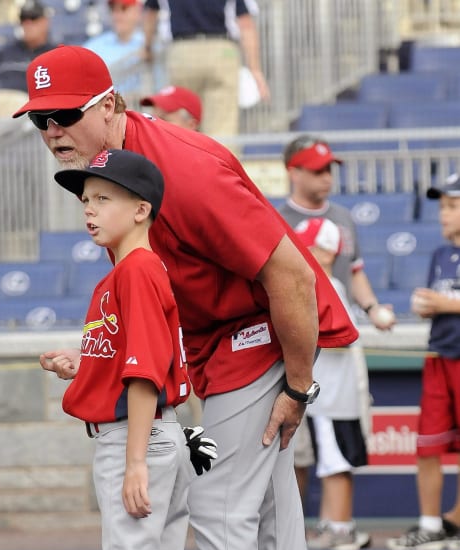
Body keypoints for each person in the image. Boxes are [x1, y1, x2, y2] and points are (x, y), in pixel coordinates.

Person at [13, 45, 358, 550]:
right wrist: (94, 354)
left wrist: (297, 383)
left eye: (62, 116)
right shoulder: (111, 178)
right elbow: (162, 308)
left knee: (221, 508)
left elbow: (290, 276)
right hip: (218, 339)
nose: (51, 132)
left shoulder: (184, 170)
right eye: (38, 120)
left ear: (109, 107)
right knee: (266, 516)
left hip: (262, 331)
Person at [40, 148, 216, 550]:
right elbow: (133, 362)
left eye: (104, 198)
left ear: (141, 209)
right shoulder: (134, 271)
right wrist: (82, 364)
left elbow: (143, 378)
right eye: (85, 199)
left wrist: (135, 462)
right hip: (156, 435)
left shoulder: (135, 271)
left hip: (134, 440)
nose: (90, 208)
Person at [278, 134, 396, 506]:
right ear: (293, 172)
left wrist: (373, 307)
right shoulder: (276, 219)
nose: (326, 177)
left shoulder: (343, 219)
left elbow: (354, 272)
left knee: (336, 440)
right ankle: (285, 530)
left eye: (329, 169)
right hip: (290, 349)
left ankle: (335, 525)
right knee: (290, 448)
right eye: (316, 170)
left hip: (335, 348)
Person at [387, 173, 460, 550]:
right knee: (428, 443)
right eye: (442, 207)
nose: (444, 215)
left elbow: (450, 302)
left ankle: (456, 521)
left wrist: (444, 303)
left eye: (452, 206)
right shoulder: (439, 255)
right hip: (438, 358)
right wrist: (426, 308)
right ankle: (432, 524)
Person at [294, 218, 371, 550]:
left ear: (326, 252)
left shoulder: (332, 287)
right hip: (324, 397)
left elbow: (343, 337)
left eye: (309, 246)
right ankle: (329, 523)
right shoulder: (315, 284)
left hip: (336, 397)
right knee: (328, 460)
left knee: (336, 462)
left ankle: (342, 527)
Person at [141, 0, 269, 139]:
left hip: (181, 53)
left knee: (181, 123)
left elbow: (150, 13)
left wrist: (147, 47)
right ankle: (219, 159)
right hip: (221, 50)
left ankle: (179, 157)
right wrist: (255, 70)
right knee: (222, 127)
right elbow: (246, 25)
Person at [83, 0, 145, 93]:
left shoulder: (149, 44)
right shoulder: (94, 46)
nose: (117, 16)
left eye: (124, 9)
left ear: (137, 11)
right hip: (107, 104)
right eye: (113, 10)